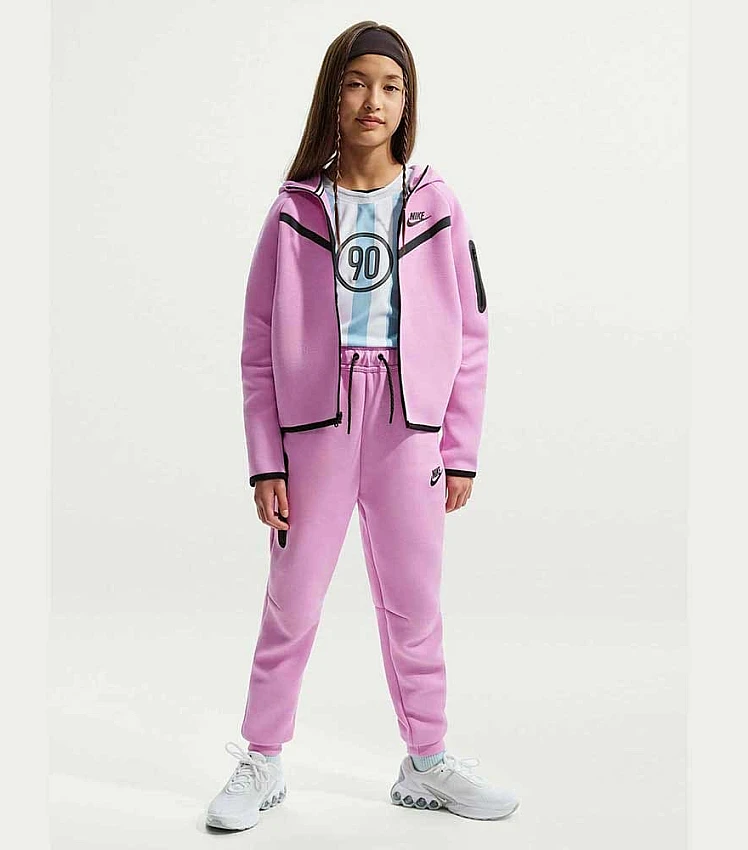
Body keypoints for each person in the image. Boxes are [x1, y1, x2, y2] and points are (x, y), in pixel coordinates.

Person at [206, 21, 519, 831]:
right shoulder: (295, 209)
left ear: (408, 103)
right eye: (356, 83)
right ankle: (262, 758)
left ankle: (427, 759)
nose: (372, 100)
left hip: (407, 426)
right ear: (332, 97)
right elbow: (256, 343)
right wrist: (264, 460)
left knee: (415, 602)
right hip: (316, 425)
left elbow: (473, 331)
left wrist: (460, 449)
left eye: (390, 85)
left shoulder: (437, 204)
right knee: (293, 599)